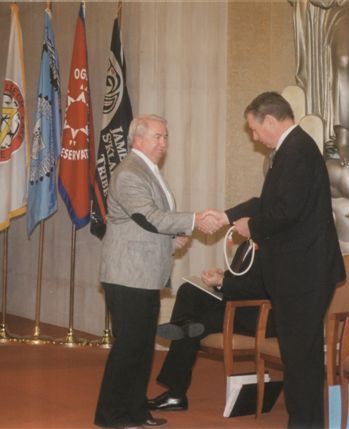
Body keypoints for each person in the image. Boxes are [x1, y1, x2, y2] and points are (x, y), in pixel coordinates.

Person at [208, 92, 346, 428]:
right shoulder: (290, 150)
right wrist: (226, 217)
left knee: (300, 358)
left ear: (270, 120)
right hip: (298, 273)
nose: (254, 137)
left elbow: (286, 211)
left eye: (255, 130)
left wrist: (250, 227)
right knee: (300, 357)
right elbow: (266, 202)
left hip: (305, 274)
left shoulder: (296, 150)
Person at [94, 114, 217, 429]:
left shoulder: (148, 171)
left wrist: (171, 241)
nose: (164, 143)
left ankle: (135, 412)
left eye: (165, 137)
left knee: (141, 347)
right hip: (128, 275)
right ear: (138, 139)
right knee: (129, 347)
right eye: (158, 137)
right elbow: (149, 216)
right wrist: (194, 219)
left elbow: (147, 225)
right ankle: (111, 416)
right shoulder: (129, 173)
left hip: (144, 274)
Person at [147, 241, 276, 411]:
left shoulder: (275, 245)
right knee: (188, 291)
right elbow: (243, 278)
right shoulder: (247, 244)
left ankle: (176, 394)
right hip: (237, 304)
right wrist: (222, 277)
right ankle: (183, 327)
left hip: (258, 314)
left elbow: (267, 288)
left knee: (194, 324)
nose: (234, 225)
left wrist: (223, 282)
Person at [291, 0, 349, 165]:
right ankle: (317, 137)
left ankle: (344, 140)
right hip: (312, 7)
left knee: (345, 60)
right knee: (314, 68)